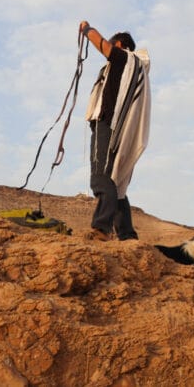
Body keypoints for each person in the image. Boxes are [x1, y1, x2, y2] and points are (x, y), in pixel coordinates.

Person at [79, 20, 151, 241]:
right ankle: (127, 234)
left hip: (107, 125)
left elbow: (102, 45)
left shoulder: (123, 58)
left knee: (101, 178)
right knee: (116, 183)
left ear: (119, 44)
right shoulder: (132, 66)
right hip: (118, 130)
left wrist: (87, 30)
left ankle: (102, 228)